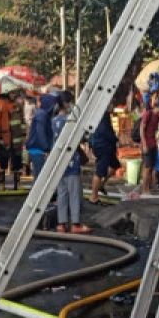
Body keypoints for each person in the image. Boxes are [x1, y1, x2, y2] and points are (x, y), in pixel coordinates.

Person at [49, 91, 90, 234]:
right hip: (71, 161)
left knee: (62, 193)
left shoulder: (53, 121)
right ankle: (76, 224)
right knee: (74, 193)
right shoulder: (71, 121)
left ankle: (61, 223)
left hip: (58, 162)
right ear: (67, 103)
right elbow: (81, 138)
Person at [89, 109, 120, 205]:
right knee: (100, 171)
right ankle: (93, 197)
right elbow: (105, 130)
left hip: (103, 144)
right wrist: (115, 139)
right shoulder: (101, 114)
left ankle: (101, 184)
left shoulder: (97, 113)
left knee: (115, 165)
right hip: (103, 145)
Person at [25, 93, 58, 180]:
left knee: (39, 176)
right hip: (38, 150)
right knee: (40, 178)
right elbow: (41, 133)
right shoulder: (42, 115)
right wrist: (47, 147)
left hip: (37, 149)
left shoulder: (43, 114)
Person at [0, 89, 26, 190]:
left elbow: (22, 122)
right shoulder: (1, 106)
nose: (13, 95)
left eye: (15, 93)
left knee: (17, 162)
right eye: (12, 93)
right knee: (3, 162)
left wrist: (23, 136)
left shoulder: (18, 107)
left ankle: (18, 184)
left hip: (16, 139)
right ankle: (2, 184)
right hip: (4, 139)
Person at [138, 97, 159, 195]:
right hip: (147, 144)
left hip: (153, 144)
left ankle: (147, 187)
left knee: (150, 167)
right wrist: (144, 144)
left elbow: (156, 130)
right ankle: (145, 189)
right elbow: (141, 130)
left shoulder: (158, 117)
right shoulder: (148, 114)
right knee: (147, 168)